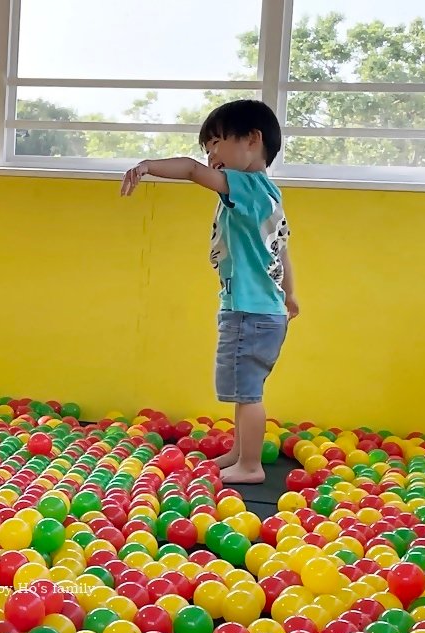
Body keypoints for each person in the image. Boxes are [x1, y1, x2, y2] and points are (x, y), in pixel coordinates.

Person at [120, 99, 299, 484]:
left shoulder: (247, 187)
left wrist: (147, 166)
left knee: (248, 393)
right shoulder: (269, 194)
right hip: (262, 311)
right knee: (243, 389)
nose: (210, 154)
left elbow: (189, 170)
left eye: (217, 142)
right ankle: (241, 453)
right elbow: (281, 248)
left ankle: (251, 466)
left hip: (249, 313)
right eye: (208, 147)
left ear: (252, 140)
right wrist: (290, 294)